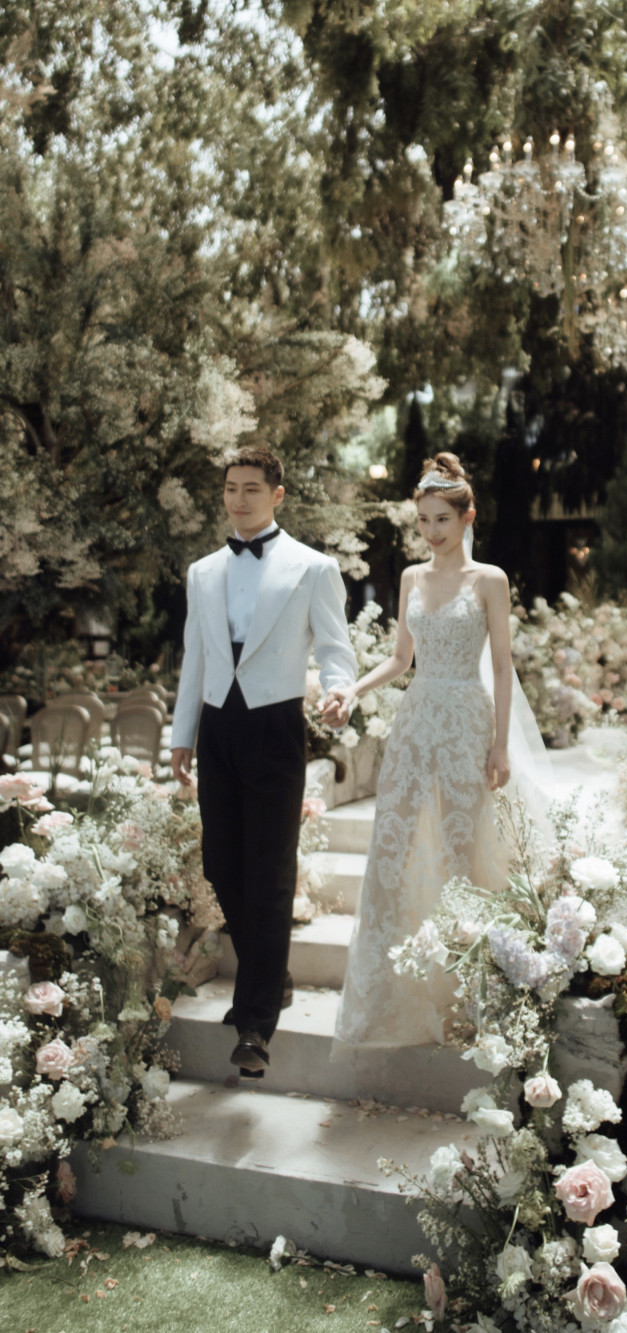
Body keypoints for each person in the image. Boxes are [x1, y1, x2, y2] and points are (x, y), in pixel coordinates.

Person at [170, 445, 357, 1077]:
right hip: (218, 727)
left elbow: (336, 648)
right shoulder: (202, 572)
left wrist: (340, 690)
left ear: (277, 495)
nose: (239, 499)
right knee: (221, 864)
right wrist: (182, 734)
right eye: (231, 488)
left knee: (271, 871)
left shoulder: (313, 568)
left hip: (276, 726)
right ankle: (272, 976)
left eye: (252, 488)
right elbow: (195, 657)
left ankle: (254, 1026)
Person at [333, 452, 514, 1047]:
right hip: (415, 721)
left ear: (467, 518)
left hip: (466, 721)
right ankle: (393, 994)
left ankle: (468, 993)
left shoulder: (489, 580)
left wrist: (500, 745)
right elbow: (400, 659)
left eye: (442, 520)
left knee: (462, 847)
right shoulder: (412, 578)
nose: (432, 532)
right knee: (397, 844)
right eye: (424, 521)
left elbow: (503, 667)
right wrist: (352, 690)